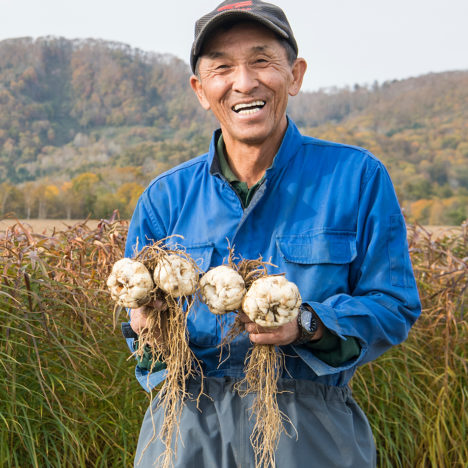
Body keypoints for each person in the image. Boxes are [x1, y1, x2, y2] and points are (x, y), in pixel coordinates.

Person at [122, 1, 421, 466]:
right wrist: (150, 335)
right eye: (223, 68)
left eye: (262, 61)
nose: (244, 82)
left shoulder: (355, 178)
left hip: (311, 427)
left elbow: (393, 304)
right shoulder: (165, 198)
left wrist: (305, 324)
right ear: (201, 90)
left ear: (295, 75)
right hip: (184, 429)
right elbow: (138, 334)